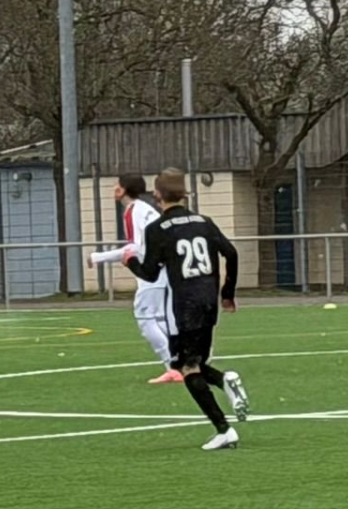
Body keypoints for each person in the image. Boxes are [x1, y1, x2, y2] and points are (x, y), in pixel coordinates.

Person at [125, 168, 249, 451]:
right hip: (208, 301)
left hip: (184, 304)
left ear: (157, 195)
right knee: (194, 362)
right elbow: (231, 252)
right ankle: (224, 382)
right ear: (184, 194)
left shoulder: (158, 229)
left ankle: (224, 429)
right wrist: (227, 293)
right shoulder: (204, 222)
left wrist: (130, 261)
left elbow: (149, 273)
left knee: (186, 367)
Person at [90, 173, 183, 384]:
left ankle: (173, 367)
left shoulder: (134, 210)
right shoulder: (144, 209)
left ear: (122, 190)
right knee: (161, 319)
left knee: (145, 319)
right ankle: (182, 363)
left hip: (154, 271)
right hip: (165, 267)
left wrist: (99, 257)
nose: (114, 188)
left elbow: (136, 246)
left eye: (117, 185)